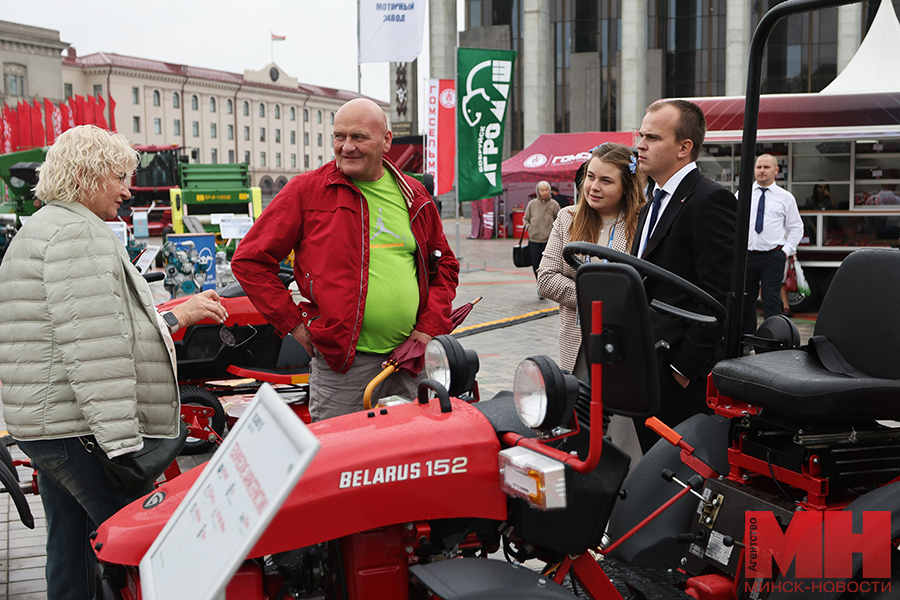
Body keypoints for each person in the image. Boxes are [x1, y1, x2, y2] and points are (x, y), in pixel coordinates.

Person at [0, 125, 227, 600]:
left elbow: (91, 330)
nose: (128, 189)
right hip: (79, 430)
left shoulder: (45, 226)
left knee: (71, 547)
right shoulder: (79, 234)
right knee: (147, 539)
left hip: (49, 425)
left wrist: (175, 315)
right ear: (90, 174)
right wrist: (123, 446)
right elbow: (96, 348)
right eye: (121, 176)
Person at [231, 98, 459, 421]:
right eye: (339, 136)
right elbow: (250, 260)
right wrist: (293, 324)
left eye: (358, 137)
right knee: (342, 464)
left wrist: (428, 329)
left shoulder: (414, 195)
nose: (346, 147)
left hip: (411, 359)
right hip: (343, 367)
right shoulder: (306, 192)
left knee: (411, 461)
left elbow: (445, 265)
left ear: (387, 141)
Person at [632, 99, 736, 453]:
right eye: (641, 135)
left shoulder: (710, 200)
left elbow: (719, 292)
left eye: (652, 137)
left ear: (684, 148)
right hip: (648, 364)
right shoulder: (651, 204)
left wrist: (682, 367)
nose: (640, 145)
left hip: (679, 374)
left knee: (683, 473)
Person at [537, 143, 645, 466]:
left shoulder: (643, 221)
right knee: (583, 427)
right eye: (590, 177)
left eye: (606, 181)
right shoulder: (568, 218)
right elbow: (546, 277)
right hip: (580, 342)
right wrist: (594, 299)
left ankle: (626, 504)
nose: (593, 187)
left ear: (627, 185)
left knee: (626, 437)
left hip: (627, 346)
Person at [739, 154, 803, 338]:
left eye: (766, 167)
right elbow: (732, 222)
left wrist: (785, 252)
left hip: (773, 256)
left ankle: (774, 341)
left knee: (771, 300)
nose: (761, 171)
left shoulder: (785, 197)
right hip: (747, 256)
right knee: (745, 300)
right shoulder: (743, 194)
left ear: (776, 170)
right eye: (758, 167)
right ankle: (747, 339)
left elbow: (796, 227)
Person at [523, 180, 560, 287]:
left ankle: (545, 285)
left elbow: (560, 221)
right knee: (535, 264)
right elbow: (525, 219)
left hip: (548, 241)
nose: (544, 192)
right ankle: (539, 284)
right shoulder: (532, 204)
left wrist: (554, 233)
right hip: (534, 240)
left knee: (547, 266)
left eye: (546, 190)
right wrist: (529, 228)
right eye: (542, 190)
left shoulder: (554, 204)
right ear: (538, 191)